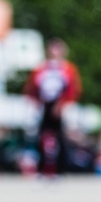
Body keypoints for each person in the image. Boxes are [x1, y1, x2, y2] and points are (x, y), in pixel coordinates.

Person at [25, 39, 82, 180]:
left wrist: (62, 104)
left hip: (61, 105)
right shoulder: (41, 68)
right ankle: (41, 169)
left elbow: (74, 89)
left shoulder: (68, 69)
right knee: (42, 137)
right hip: (45, 104)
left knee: (60, 137)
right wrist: (36, 102)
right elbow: (31, 88)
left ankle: (60, 170)